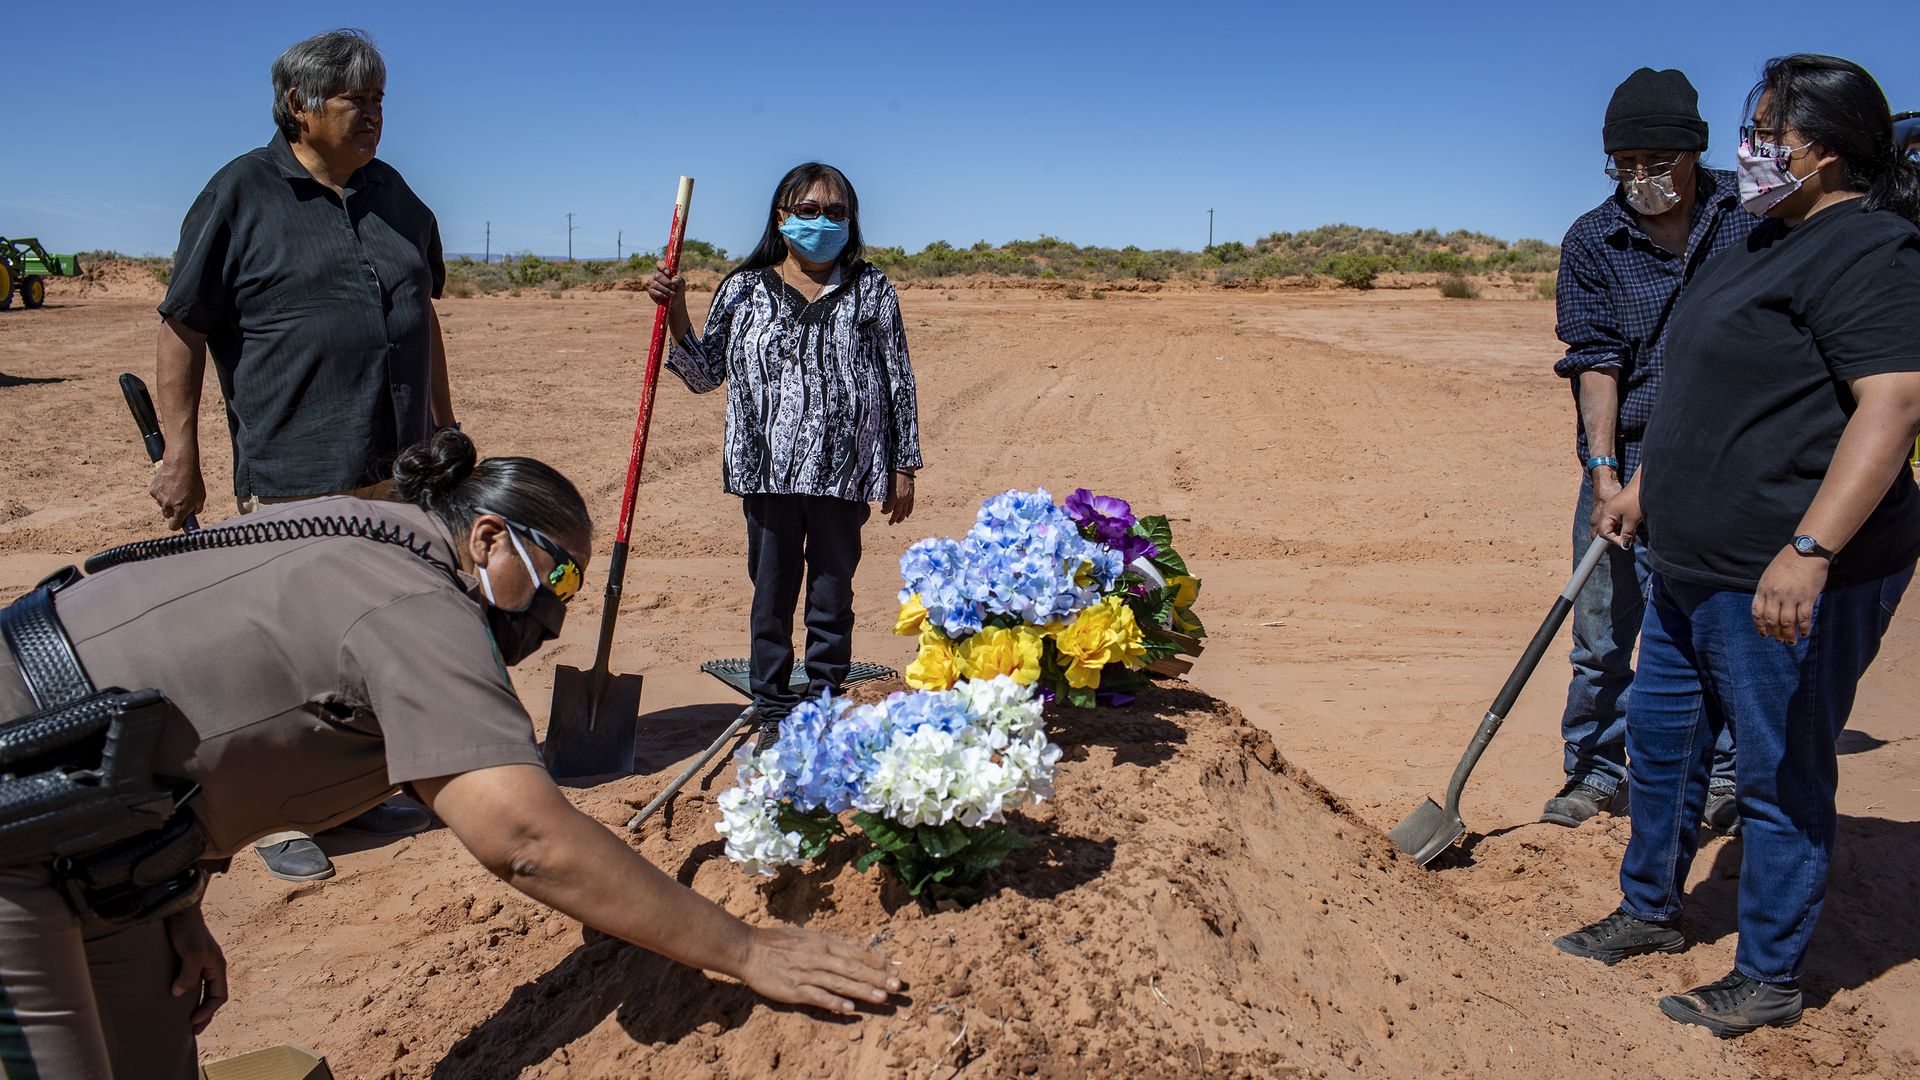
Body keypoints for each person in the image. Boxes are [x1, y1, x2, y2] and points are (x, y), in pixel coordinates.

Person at [0, 431, 901, 1077]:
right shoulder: (413, 604)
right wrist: (744, 949)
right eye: (560, 573)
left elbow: (208, 721)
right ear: (486, 536)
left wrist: (174, 900)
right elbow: (524, 838)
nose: (556, 610)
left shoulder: (366, 533)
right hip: (22, 818)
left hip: (101, 838)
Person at [1554, 54, 1920, 1037]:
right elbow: (1700, 387)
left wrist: (1810, 548)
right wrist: (1638, 482)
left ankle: (1767, 972)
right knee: (1666, 749)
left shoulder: (1869, 249)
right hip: (1685, 554)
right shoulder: (1759, 235)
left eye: (1769, 134)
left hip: (1782, 571)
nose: (1754, 150)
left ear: (1827, 151)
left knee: (1777, 766)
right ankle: (1649, 910)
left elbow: (1892, 405)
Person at [150, 28, 456, 880]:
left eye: (382, 101)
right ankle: (273, 816)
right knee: (279, 648)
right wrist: (183, 454)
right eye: (358, 101)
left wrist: (446, 426)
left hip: (397, 467)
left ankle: (356, 790)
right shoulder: (240, 194)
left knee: (375, 632)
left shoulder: (394, 195)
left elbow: (420, 313)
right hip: (295, 472)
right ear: (300, 106)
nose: (375, 118)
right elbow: (182, 326)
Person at [1543, 68, 1758, 830]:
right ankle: (1595, 771)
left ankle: (1730, 776)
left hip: (1738, 465)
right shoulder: (1593, 239)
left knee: (1730, 633)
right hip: (1627, 461)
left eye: (1656, 160)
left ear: (1694, 151)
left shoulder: (1756, 216)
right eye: (1624, 161)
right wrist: (1604, 475)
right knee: (1602, 633)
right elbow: (1595, 363)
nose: (1640, 176)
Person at [648, 163, 923, 746]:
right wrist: (673, 312)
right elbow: (705, 374)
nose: (821, 221)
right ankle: (773, 707)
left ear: (851, 222)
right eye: (808, 210)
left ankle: (823, 707)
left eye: (835, 212)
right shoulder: (744, 287)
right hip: (766, 470)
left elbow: (898, 378)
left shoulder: (870, 287)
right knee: (771, 594)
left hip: (843, 471)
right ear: (781, 217)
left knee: (831, 596)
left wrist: (904, 465)